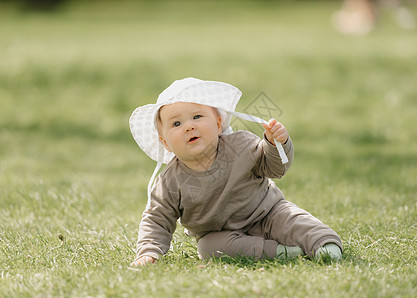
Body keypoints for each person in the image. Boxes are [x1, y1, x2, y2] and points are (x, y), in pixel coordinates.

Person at [128, 77, 343, 266]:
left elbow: (275, 168)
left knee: (294, 220)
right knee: (208, 248)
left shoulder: (241, 145)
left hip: (267, 212)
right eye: (176, 123)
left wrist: (276, 143)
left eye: (197, 117)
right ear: (165, 142)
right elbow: (157, 219)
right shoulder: (170, 182)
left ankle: (325, 244)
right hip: (220, 234)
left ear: (219, 123)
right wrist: (149, 252)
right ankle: (281, 253)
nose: (188, 127)